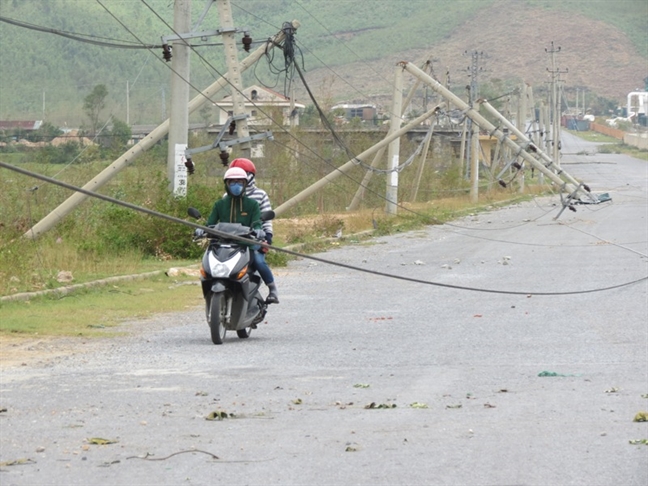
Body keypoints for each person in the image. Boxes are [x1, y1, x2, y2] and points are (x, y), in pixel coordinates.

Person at [227, 157, 279, 304]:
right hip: (231, 240)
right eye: (233, 179)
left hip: (253, 239)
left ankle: (272, 289)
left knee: (258, 261)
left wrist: (267, 237)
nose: (236, 182)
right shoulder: (226, 197)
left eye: (241, 177)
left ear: (249, 177)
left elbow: (267, 218)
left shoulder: (260, 195)